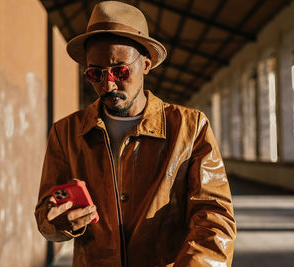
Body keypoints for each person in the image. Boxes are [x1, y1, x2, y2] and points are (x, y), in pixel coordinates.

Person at [35, 1, 236, 266]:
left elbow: (215, 220)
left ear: (147, 64)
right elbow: (45, 218)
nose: (108, 84)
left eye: (120, 70)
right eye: (96, 74)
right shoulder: (65, 133)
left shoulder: (191, 127)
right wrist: (58, 222)